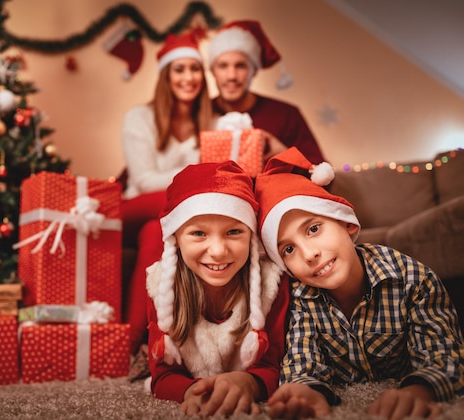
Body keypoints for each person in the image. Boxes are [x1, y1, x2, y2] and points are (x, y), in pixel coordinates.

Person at [253, 147, 464, 419]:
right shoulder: (299, 301)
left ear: (347, 224)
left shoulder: (414, 278)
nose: (309, 254)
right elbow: (302, 365)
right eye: (288, 250)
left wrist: (419, 392)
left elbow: (445, 355)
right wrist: (307, 391)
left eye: (314, 228)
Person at [146, 160, 289, 416]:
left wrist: (247, 382)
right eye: (199, 234)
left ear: (252, 236)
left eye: (234, 231)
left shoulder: (272, 284)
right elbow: (164, 374)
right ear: (175, 239)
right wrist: (192, 391)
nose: (218, 251)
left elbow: (275, 364)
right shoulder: (161, 287)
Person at [120, 31, 213, 361]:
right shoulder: (139, 118)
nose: (189, 77)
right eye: (179, 69)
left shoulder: (212, 123)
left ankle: (137, 342)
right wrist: (195, 173)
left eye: (195, 69)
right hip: (133, 208)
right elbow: (144, 181)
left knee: (154, 233)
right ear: (165, 75)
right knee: (160, 209)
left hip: (169, 215)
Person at [207, 20, 325, 164]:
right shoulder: (200, 114)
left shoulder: (286, 115)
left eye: (241, 66)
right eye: (223, 66)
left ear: (254, 71)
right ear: (213, 71)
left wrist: (286, 155)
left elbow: (325, 178)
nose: (231, 76)